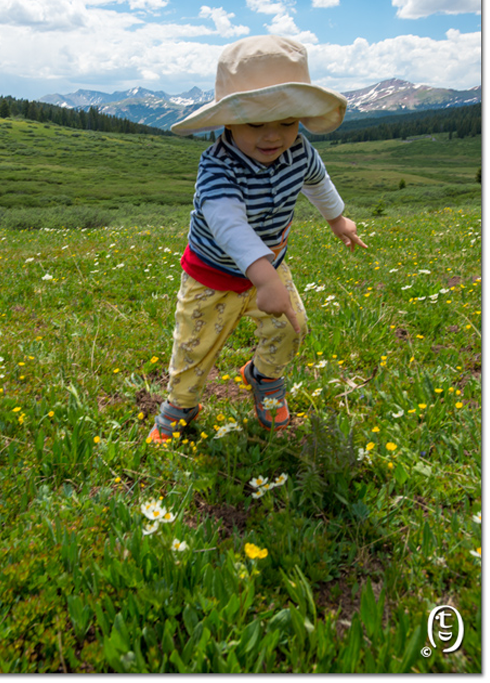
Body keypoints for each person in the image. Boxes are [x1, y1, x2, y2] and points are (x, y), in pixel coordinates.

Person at [147, 35, 367, 443]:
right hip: (212, 276)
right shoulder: (217, 167)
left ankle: (264, 377)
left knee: (291, 328)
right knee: (195, 346)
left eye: (286, 122)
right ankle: (181, 403)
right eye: (255, 124)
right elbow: (228, 225)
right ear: (228, 121)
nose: (273, 136)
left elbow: (316, 181)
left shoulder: (300, 151)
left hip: (271, 266)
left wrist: (337, 218)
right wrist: (264, 278)